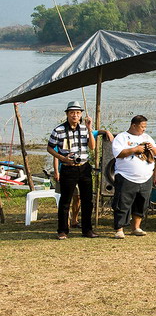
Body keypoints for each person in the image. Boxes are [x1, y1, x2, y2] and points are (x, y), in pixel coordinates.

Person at [47, 101, 98, 239]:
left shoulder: (84, 129)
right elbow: (49, 147)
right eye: (72, 113)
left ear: (81, 115)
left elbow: (92, 147)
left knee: (87, 200)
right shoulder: (59, 130)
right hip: (68, 168)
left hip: (84, 167)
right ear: (67, 114)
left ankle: (87, 230)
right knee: (65, 201)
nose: (75, 115)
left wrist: (90, 128)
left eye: (77, 113)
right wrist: (61, 158)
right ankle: (62, 230)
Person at [111, 115, 156, 239]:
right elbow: (118, 153)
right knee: (122, 203)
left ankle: (136, 227)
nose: (144, 129)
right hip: (126, 176)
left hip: (145, 177)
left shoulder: (146, 137)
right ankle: (119, 229)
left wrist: (152, 148)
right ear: (133, 125)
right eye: (142, 126)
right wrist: (134, 149)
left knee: (141, 203)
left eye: (145, 126)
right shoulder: (121, 137)